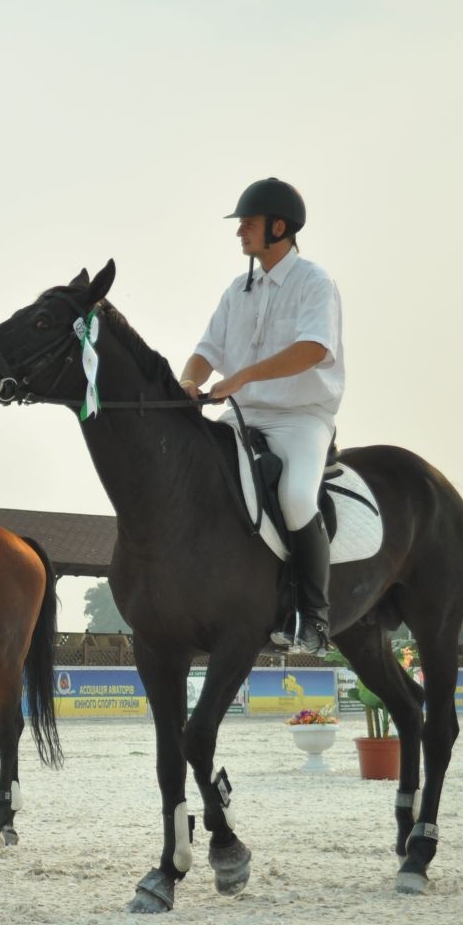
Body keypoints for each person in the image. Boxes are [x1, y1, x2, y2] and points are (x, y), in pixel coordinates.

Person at [178, 177, 343, 657]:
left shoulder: (315, 282)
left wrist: (243, 377)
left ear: (278, 227)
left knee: (294, 496)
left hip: (301, 417)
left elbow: (313, 349)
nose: (239, 233)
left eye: (247, 224)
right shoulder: (237, 289)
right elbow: (205, 351)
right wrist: (190, 380)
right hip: (240, 414)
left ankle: (314, 620)